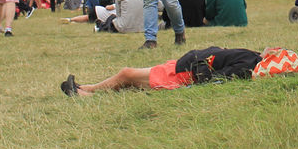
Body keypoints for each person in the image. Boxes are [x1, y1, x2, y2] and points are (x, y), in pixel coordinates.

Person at [60, 44, 263, 97]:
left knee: (126, 74)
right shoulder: (253, 57)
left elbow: (220, 78)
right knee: (129, 82)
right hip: (181, 66)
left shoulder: (249, 64)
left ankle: (84, 92)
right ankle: (85, 90)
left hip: (184, 74)